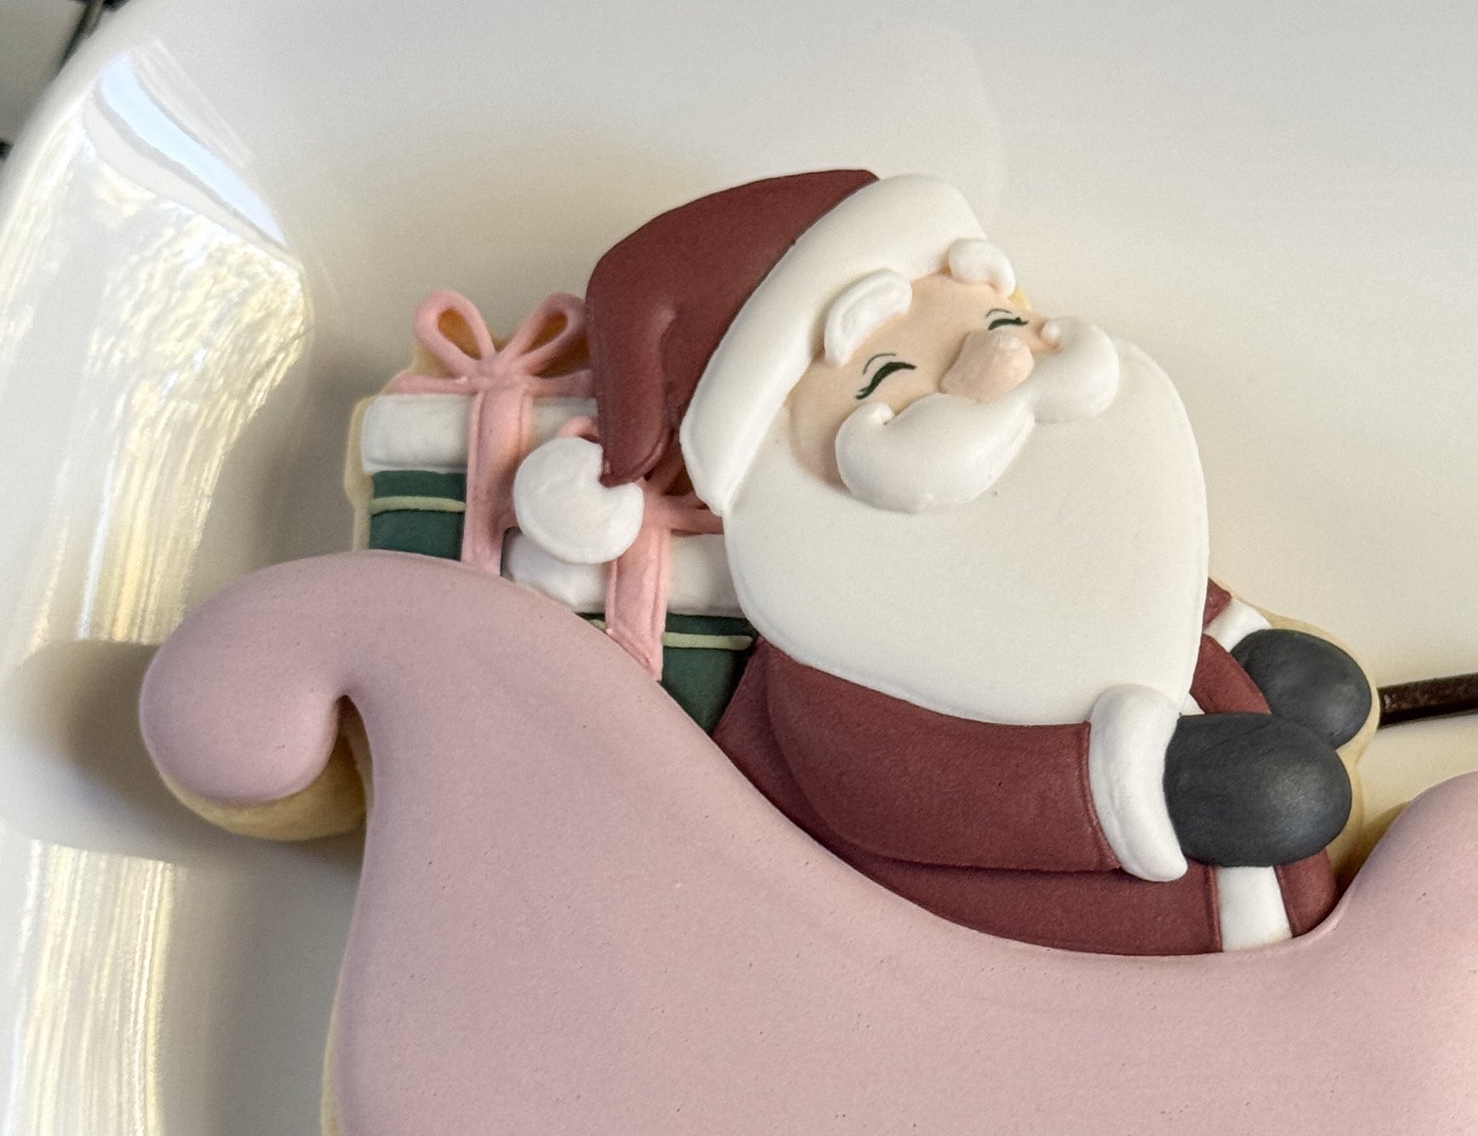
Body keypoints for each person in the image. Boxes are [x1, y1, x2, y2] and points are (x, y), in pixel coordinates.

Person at [507, 170, 1373, 955]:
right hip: (1031, 920)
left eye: (999, 324)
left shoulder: (1047, 480)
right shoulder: (839, 650)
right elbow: (903, 790)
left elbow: (1117, 561)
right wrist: (1151, 789)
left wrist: (1231, 636)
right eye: (888, 374)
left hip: (1224, 826)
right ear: (775, 476)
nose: (999, 364)